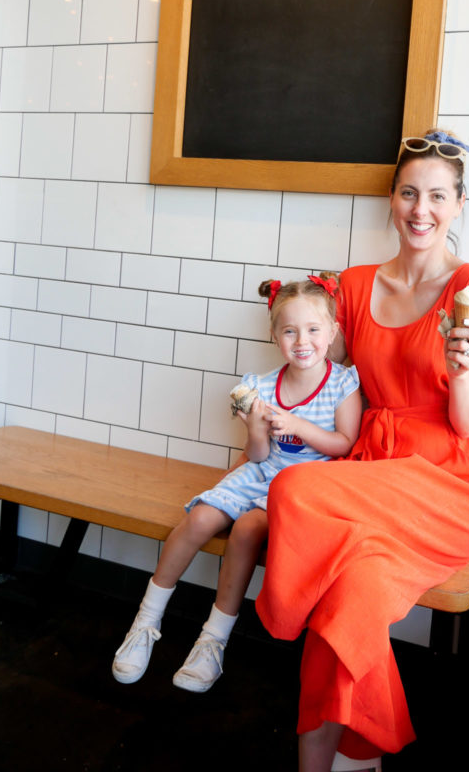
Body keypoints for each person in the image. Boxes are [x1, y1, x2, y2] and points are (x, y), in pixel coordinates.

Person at [255, 130, 469, 771]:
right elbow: (322, 378)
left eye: (437, 197)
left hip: (442, 480)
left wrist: (463, 372)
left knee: (292, 491)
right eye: (408, 194)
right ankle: (349, 760)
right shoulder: (356, 285)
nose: (421, 210)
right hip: (368, 470)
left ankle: (279, 613)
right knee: (352, 594)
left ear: (457, 205)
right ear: (391, 200)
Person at [111, 274, 362, 693]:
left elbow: (343, 444)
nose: (303, 340)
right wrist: (256, 428)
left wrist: (298, 424)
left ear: (333, 331)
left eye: (314, 329)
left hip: (303, 486)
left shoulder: (341, 383)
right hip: (259, 473)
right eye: (290, 330)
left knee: (245, 531)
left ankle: (212, 640)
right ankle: (146, 620)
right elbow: (259, 455)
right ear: (274, 335)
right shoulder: (261, 386)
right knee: (198, 519)